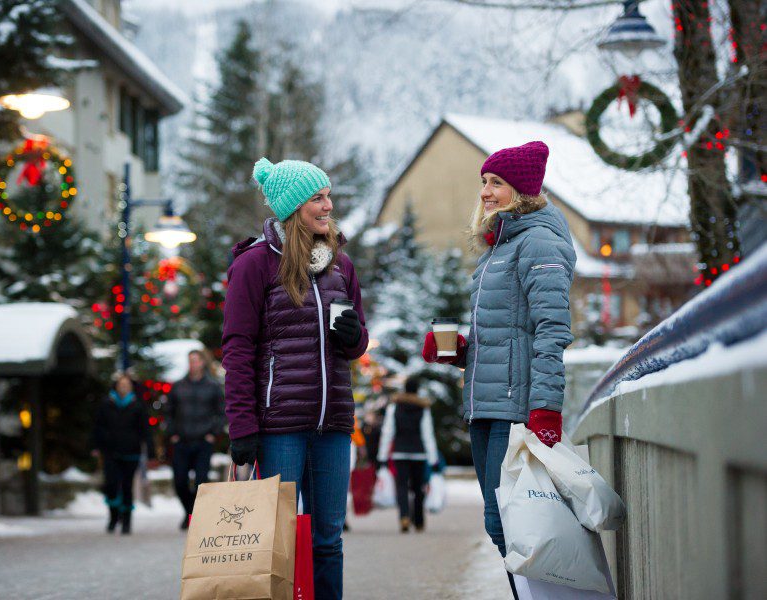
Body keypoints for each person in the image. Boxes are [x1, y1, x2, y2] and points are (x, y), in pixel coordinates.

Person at [422, 141, 575, 598]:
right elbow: (507, 333)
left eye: (497, 183)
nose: (485, 192)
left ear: (523, 191)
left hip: (517, 407)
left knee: (514, 525)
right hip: (488, 404)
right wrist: (458, 350)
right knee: (503, 526)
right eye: (484, 182)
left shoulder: (540, 242)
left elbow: (552, 329)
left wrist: (546, 407)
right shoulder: (500, 246)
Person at [222, 157, 369, 600]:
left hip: (333, 424)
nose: (328, 206)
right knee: (278, 542)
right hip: (278, 426)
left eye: (328, 196)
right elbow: (237, 348)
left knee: (328, 540)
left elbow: (358, 342)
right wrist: (242, 428)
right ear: (292, 207)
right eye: (316, 198)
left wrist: (353, 337)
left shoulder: (340, 264)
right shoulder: (255, 265)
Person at [165, 349, 225, 530]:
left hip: (203, 441)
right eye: (190, 360)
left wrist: (213, 433)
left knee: (201, 481)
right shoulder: (178, 386)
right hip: (181, 441)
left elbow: (222, 413)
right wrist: (172, 433)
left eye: (196, 360)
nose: (193, 364)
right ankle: (189, 511)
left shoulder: (213, 386)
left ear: (203, 362)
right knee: (180, 481)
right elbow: (168, 412)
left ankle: (192, 515)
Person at [92, 372, 154, 534]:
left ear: (131, 387)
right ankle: (113, 516)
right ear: (116, 386)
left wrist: (151, 451)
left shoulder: (138, 406)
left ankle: (126, 521)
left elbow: (145, 430)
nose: (123, 388)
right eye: (121, 385)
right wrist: (96, 445)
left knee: (127, 486)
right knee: (111, 485)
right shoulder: (106, 404)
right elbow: (98, 426)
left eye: (127, 385)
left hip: (131, 451)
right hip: (110, 451)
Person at [376, 375, 440, 533]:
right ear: (417, 390)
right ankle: (419, 521)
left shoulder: (394, 407)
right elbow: (427, 434)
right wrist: (433, 459)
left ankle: (404, 517)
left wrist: (382, 456)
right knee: (418, 488)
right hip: (419, 454)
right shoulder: (423, 408)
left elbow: (388, 433)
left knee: (401, 487)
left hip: (399, 453)